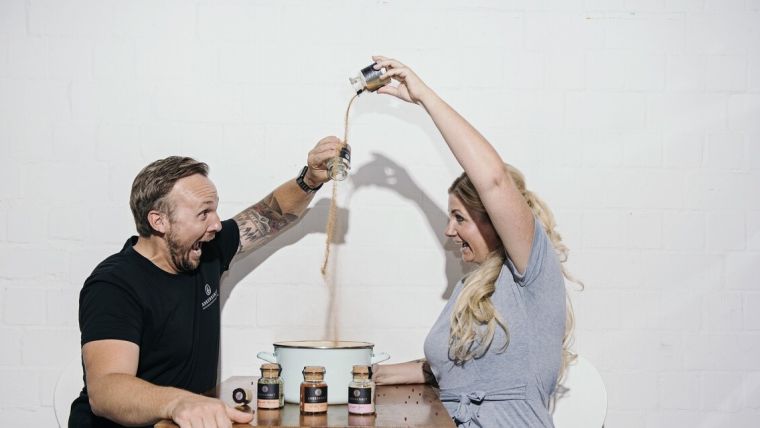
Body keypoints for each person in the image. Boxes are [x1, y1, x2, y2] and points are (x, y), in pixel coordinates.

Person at [69, 136, 344, 428]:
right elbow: (106, 389)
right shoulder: (114, 285)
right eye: (203, 213)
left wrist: (309, 180)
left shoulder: (204, 250)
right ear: (159, 221)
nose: (216, 224)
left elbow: (271, 214)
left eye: (214, 210)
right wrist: (178, 403)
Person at [370, 56, 582, 428]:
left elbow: (494, 180)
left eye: (460, 218)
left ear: (496, 220)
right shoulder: (472, 288)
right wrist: (364, 374)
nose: (449, 232)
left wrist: (424, 98)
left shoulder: (532, 275)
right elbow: (450, 368)